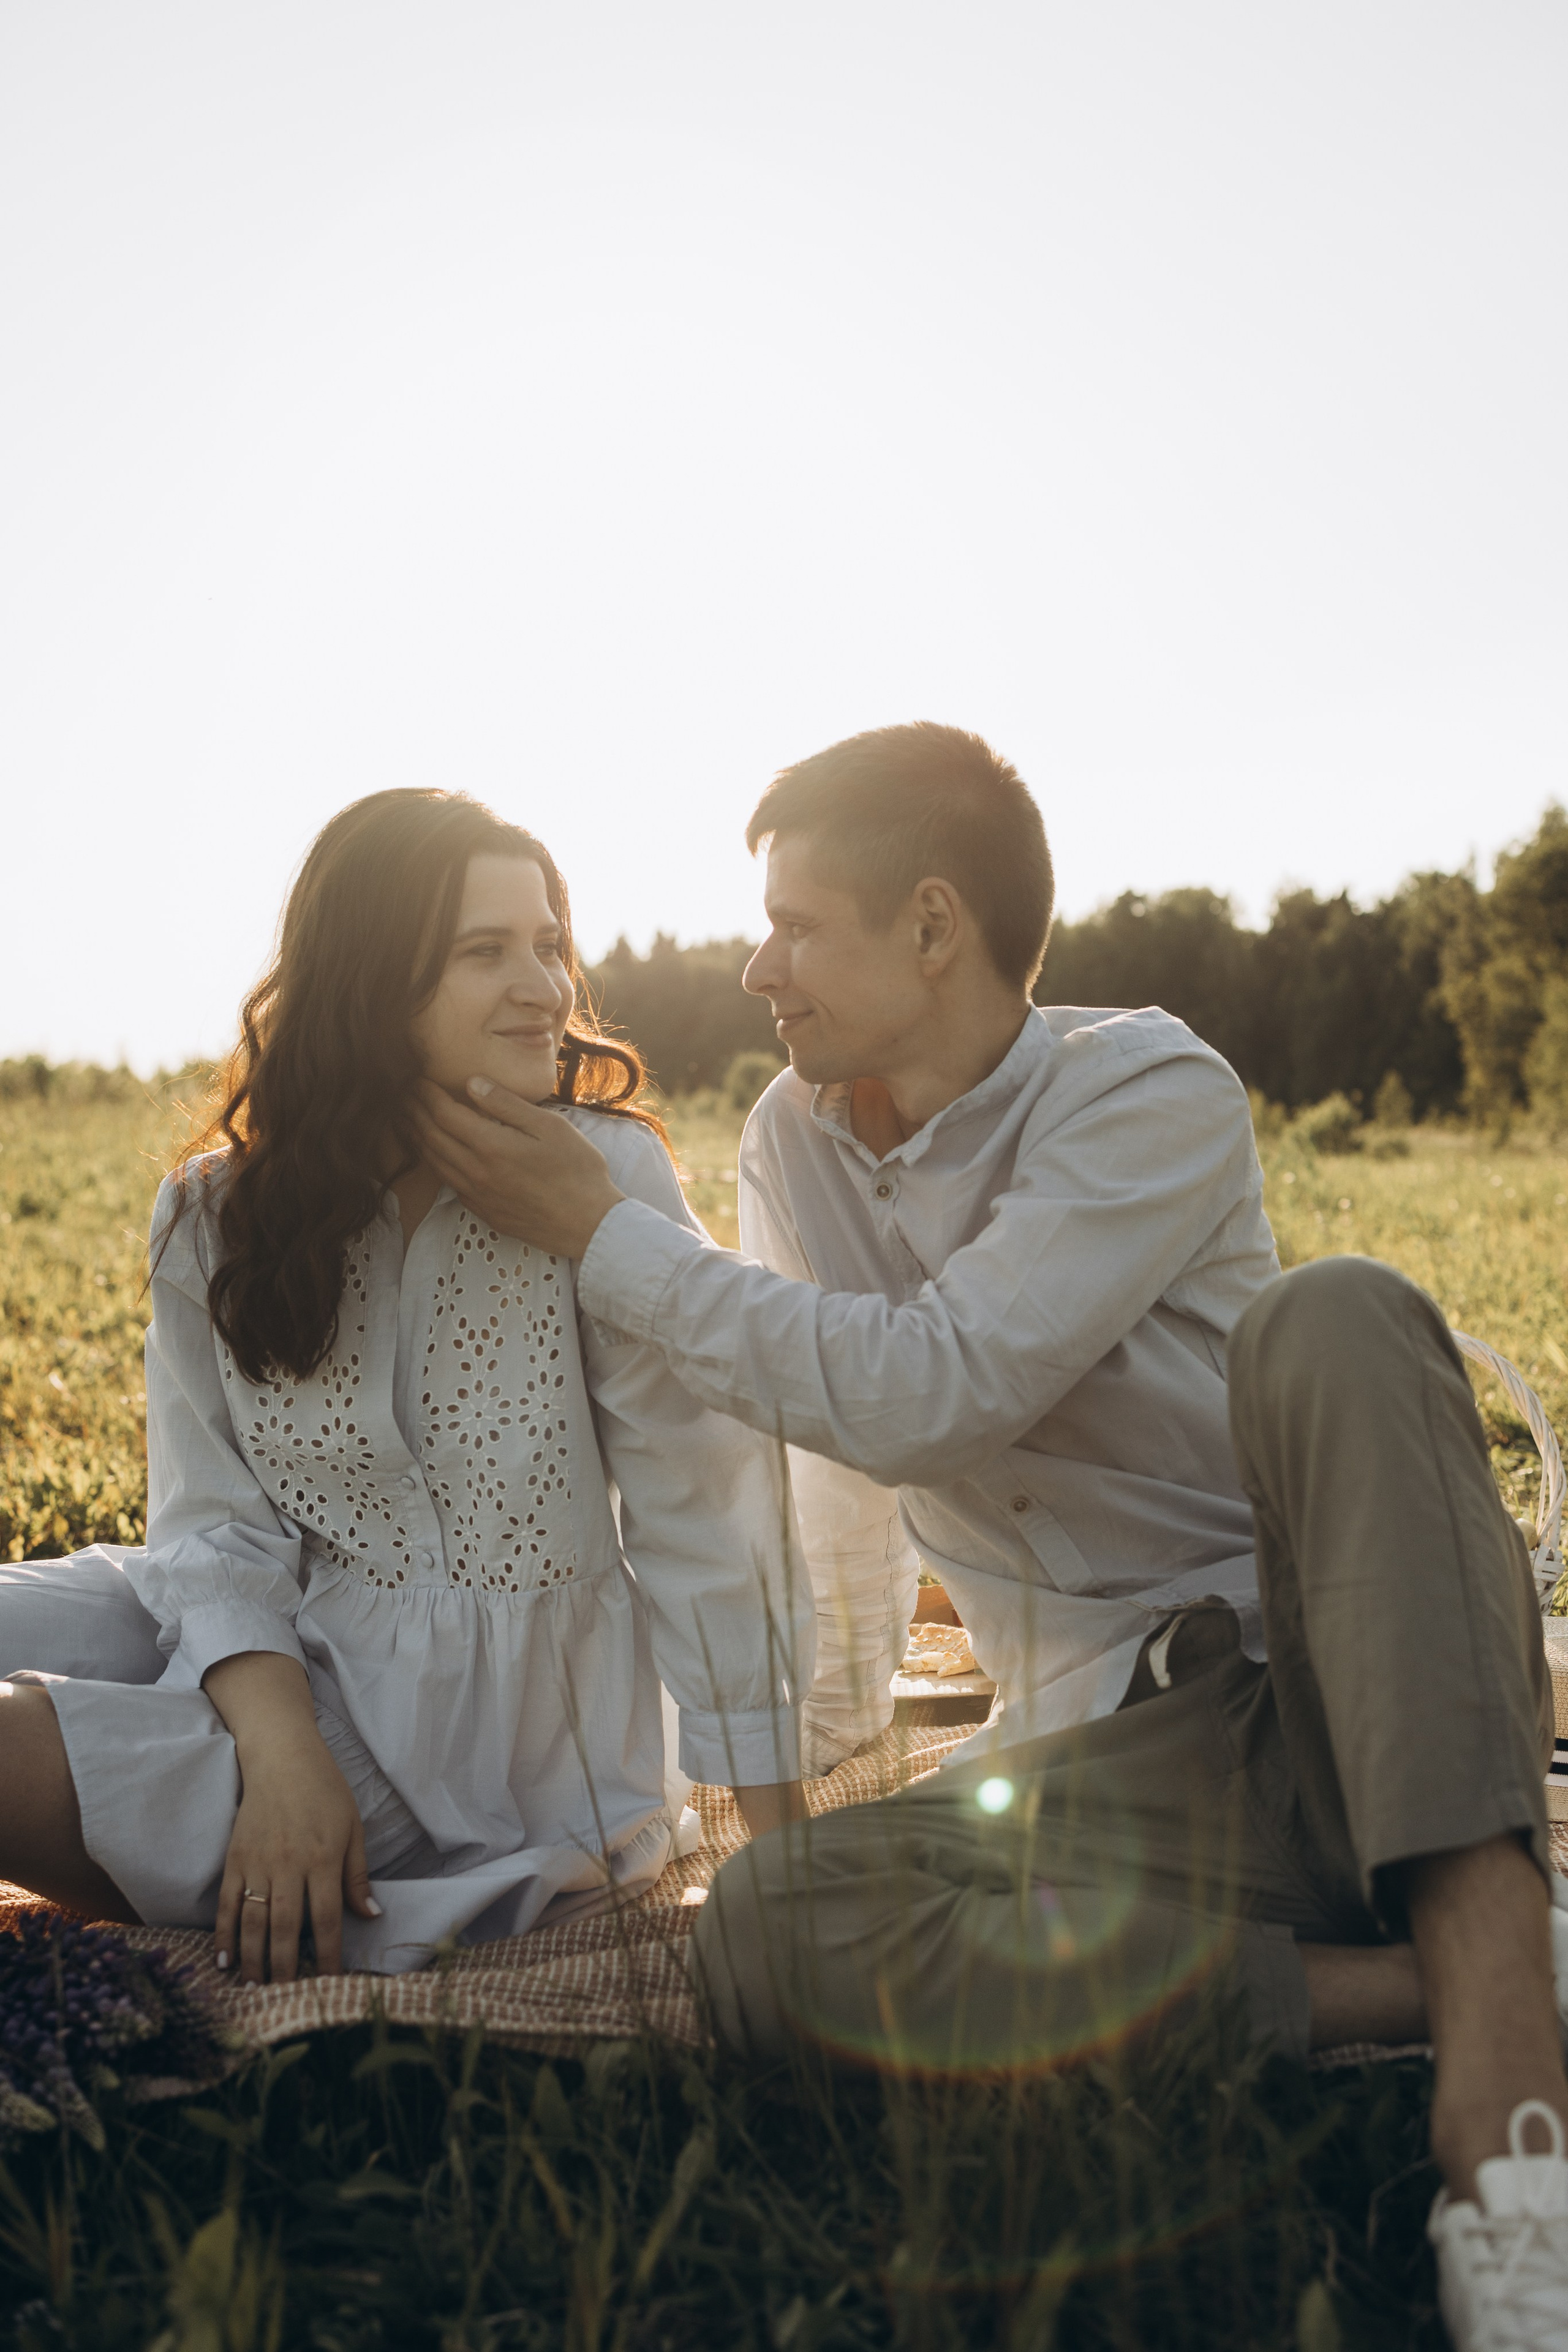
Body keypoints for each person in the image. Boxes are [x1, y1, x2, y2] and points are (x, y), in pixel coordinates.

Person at [412, 724, 1568, 2347]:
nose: (760, 970)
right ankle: (1443, 1977)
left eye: (797, 927)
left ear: (934, 927)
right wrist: (807, 1765)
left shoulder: (1147, 1086)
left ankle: (1507, 2107)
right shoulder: (794, 1142)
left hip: (1353, 1691)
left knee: (1347, 1312)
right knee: (769, 1925)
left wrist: (607, 1239)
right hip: (1118, 1776)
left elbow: (934, 1392)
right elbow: (839, 1470)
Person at [0, 788, 810, 1985]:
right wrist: (279, 1754)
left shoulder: (605, 1175)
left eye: (547, 945)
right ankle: (232, 1764)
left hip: (485, 1749)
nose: (542, 986)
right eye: (485, 952)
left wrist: (785, 1858)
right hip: (278, 1627)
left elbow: (704, 1513)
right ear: (370, 981)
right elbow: (211, 1527)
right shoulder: (215, 1210)